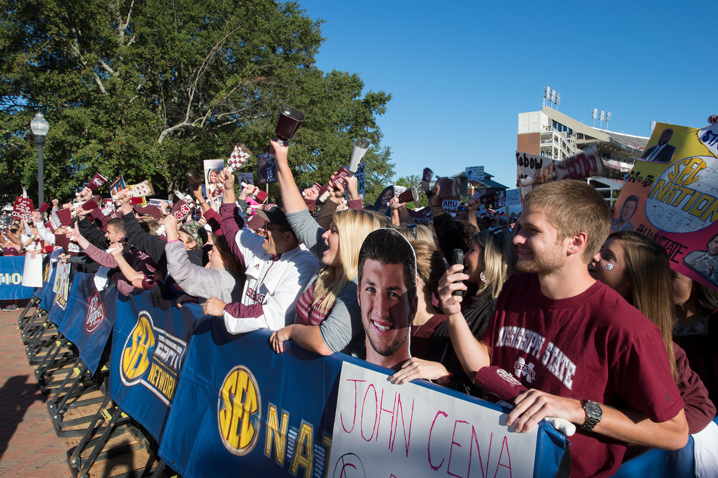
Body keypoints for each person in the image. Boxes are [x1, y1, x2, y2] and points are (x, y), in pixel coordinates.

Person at [439, 180, 688, 478]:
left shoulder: (627, 328)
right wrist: (453, 312)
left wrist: (578, 410)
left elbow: (675, 433)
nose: (517, 239)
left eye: (532, 231)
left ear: (576, 242)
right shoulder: (516, 288)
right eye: (519, 228)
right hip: (498, 460)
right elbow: (483, 366)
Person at [591, 231, 718, 477]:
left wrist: (636, 434)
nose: (594, 258)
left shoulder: (649, 339)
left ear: (631, 279)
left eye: (608, 256)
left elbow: (699, 406)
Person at [268, 140, 383, 356]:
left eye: (334, 231)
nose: (325, 235)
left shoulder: (361, 287)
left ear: (352, 241)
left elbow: (325, 342)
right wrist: (282, 162)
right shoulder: (330, 258)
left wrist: (292, 331)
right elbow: (300, 217)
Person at [203, 167, 319, 333]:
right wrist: (229, 189)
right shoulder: (264, 247)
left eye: (270, 226)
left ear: (287, 237)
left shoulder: (304, 265)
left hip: (271, 353)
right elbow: (234, 231)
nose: (264, 230)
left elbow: (272, 316)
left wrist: (225, 309)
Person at [357, 228, 417, 370]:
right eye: (371, 290)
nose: (381, 311)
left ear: (413, 307)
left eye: (393, 295)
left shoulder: (427, 388)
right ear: (358, 295)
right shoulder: (343, 370)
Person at [672, 271, 718, 405]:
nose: (663, 283)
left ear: (697, 283)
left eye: (672, 276)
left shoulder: (714, 320)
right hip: (681, 411)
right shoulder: (657, 322)